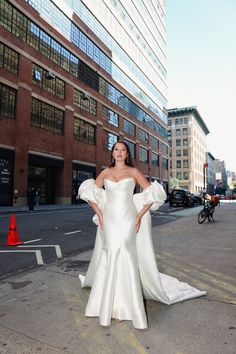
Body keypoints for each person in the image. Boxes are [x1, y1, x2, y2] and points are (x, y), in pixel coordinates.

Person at [78, 142, 206, 329]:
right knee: (111, 251)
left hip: (129, 218)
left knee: (126, 253)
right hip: (110, 220)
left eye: (123, 150)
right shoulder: (105, 173)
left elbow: (154, 194)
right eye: (116, 149)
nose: (119, 152)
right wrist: (100, 214)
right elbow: (90, 194)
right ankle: (106, 304)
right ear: (112, 153)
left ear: (127, 153)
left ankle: (129, 306)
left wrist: (139, 215)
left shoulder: (133, 171)